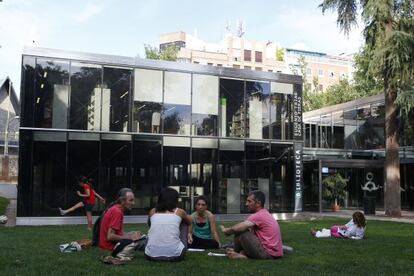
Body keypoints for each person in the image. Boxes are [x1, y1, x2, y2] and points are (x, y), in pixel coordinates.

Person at [221, 190, 284, 259]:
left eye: (249, 201)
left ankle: (239, 254)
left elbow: (238, 228)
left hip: (268, 254)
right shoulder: (264, 213)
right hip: (274, 253)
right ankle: (238, 252)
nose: (246, 204)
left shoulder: (259, 215)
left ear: (258, 203)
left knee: (241, 230)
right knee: (245, 230)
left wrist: (227, 231)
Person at [145, 187, 192, 261]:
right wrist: (189, 233)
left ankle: (155, 247)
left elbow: (150, 225)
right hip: (176, 255)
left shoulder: (152, 211)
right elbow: (189, 222)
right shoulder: (180, 212)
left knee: (152, 230)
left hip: (150, 255)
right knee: (184, 223)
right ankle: (175, 246)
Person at [99, 188, 146, 263]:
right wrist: (130, 238)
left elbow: (117, 232)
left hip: (107, 245)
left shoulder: (116, 209)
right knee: (145, 241)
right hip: (110, 247)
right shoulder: (117, 212)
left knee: (138, 234)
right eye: (131, 200)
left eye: (133, 200)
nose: (133, 203)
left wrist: (131, 235)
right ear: (122, 201)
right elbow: (110, 236)